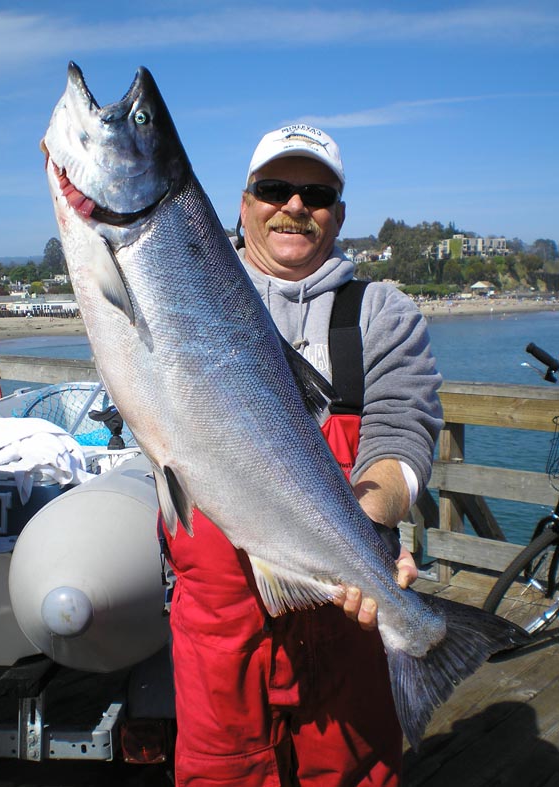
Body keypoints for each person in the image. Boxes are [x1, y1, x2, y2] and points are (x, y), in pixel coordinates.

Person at [159, 125, 443, 786]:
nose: (294, 205)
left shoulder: (382, 314)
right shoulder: (178, 298)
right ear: (242, 202)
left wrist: (367, 528)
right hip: (218, 641)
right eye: (274, 188)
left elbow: (402, 439)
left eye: (315, 193)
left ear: (339, 214)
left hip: (349, 629)